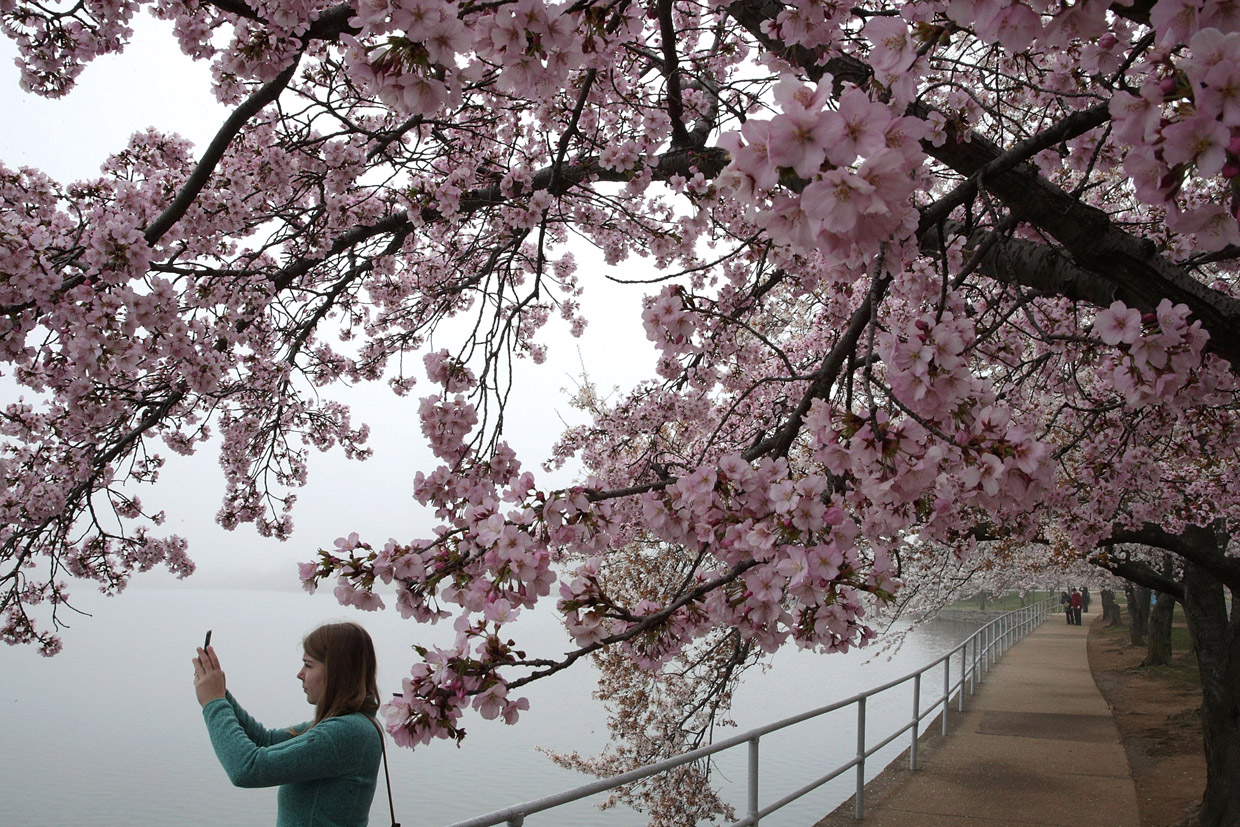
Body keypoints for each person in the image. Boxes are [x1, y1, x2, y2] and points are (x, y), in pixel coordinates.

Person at [192, 622, 385, 827]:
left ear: (338, 672)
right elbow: (264, 741)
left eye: (308, 665)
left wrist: (214, 703)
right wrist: (219, 691)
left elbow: (246, 770)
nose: (300, 674)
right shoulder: (350, 725)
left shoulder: (345, 733)